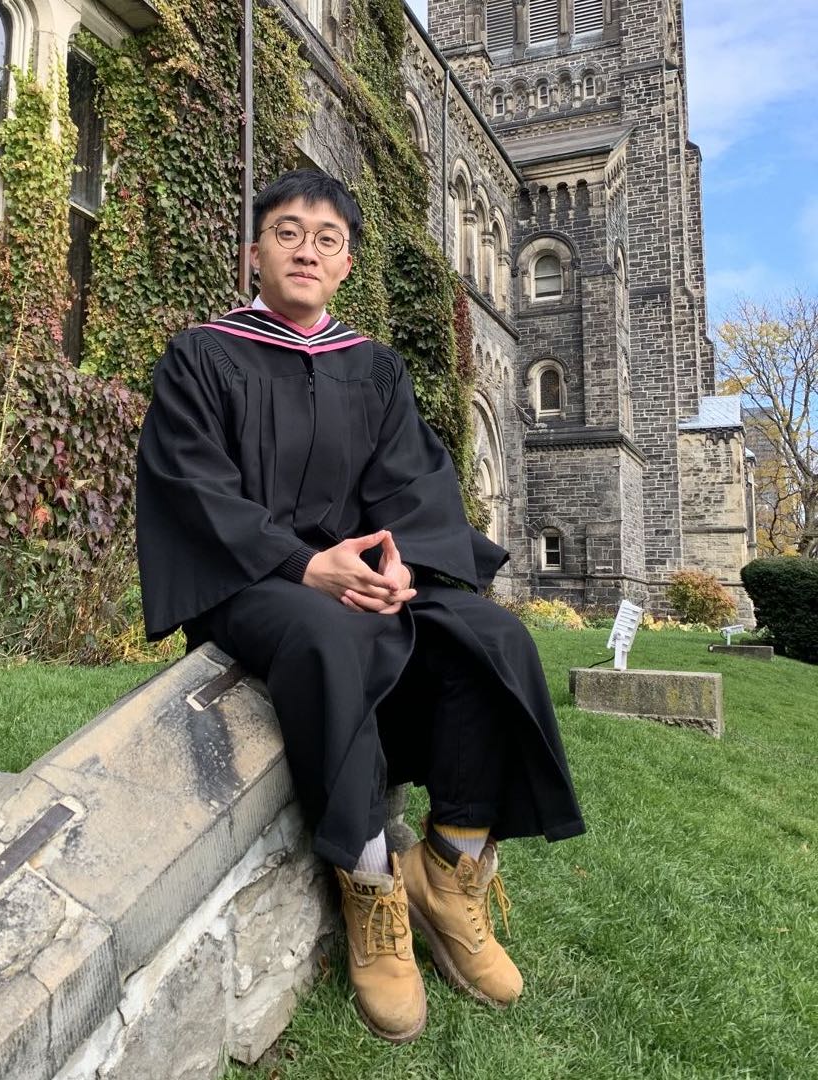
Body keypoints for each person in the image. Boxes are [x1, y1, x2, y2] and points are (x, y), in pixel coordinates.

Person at [136, 169, 584, 1043]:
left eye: (328, 238)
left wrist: (400, 565)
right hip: (259, 586)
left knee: (490, 635)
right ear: (254, 253)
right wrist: (309, 566)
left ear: (345, 264)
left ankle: (449, 872)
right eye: (289, 233)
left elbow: (415, 484)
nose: (308, 249)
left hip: (362, 577)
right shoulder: (203, 356)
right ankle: (372, 886)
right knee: (327, 636)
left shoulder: (372, 369)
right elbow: (193, 488)